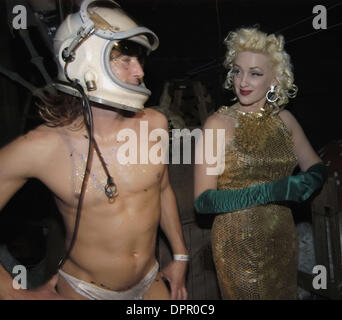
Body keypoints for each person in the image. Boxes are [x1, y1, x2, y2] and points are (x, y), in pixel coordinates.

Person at [0, 0, 188, 300]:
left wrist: (179, 256)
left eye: (138, 59)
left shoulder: (155, 124)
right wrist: (16, 294)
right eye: (124, 59)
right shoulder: (41, 148)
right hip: (86, 292)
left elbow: (162, 188)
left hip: (150, 280)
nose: (139, 71)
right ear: (84, 60)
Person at [193, 27, 327, 299]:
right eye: (238, 71)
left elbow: (316, 166)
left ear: (275, 80)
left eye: (255, 73)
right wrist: (271, 191)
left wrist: (310, 181)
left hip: (281, 237)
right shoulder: (218, 124)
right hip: (237, 242)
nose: (243, 81)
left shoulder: (285, 121)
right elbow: (203, 202)